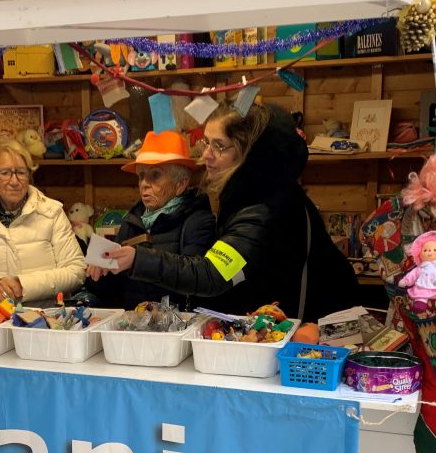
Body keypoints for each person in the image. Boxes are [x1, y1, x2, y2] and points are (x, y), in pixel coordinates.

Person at [98, 105, 358, 322]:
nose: (206, 156)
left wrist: (137, 259)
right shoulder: (245, 194)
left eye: (219, 146)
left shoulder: (262, 206)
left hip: (316, 325)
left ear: (247, 154)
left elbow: (214, 274)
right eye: (206, 142)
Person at [86, 130, 215, 310]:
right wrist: (98, 273)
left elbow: (196, 279)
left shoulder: (199, 220)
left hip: (181, 329)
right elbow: (113, 291)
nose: (144, 183)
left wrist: (138, 260)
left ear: (181, 184)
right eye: (141, 176)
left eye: (155, 175)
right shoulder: (132, 220)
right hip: (136, 327)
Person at [0, 138, 84, 304]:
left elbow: (76, 271)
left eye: (21, 172)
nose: (14, 181)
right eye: (5, 173)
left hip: (45, 318)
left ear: (29, 175)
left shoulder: (51, 213)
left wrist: (23, 286)